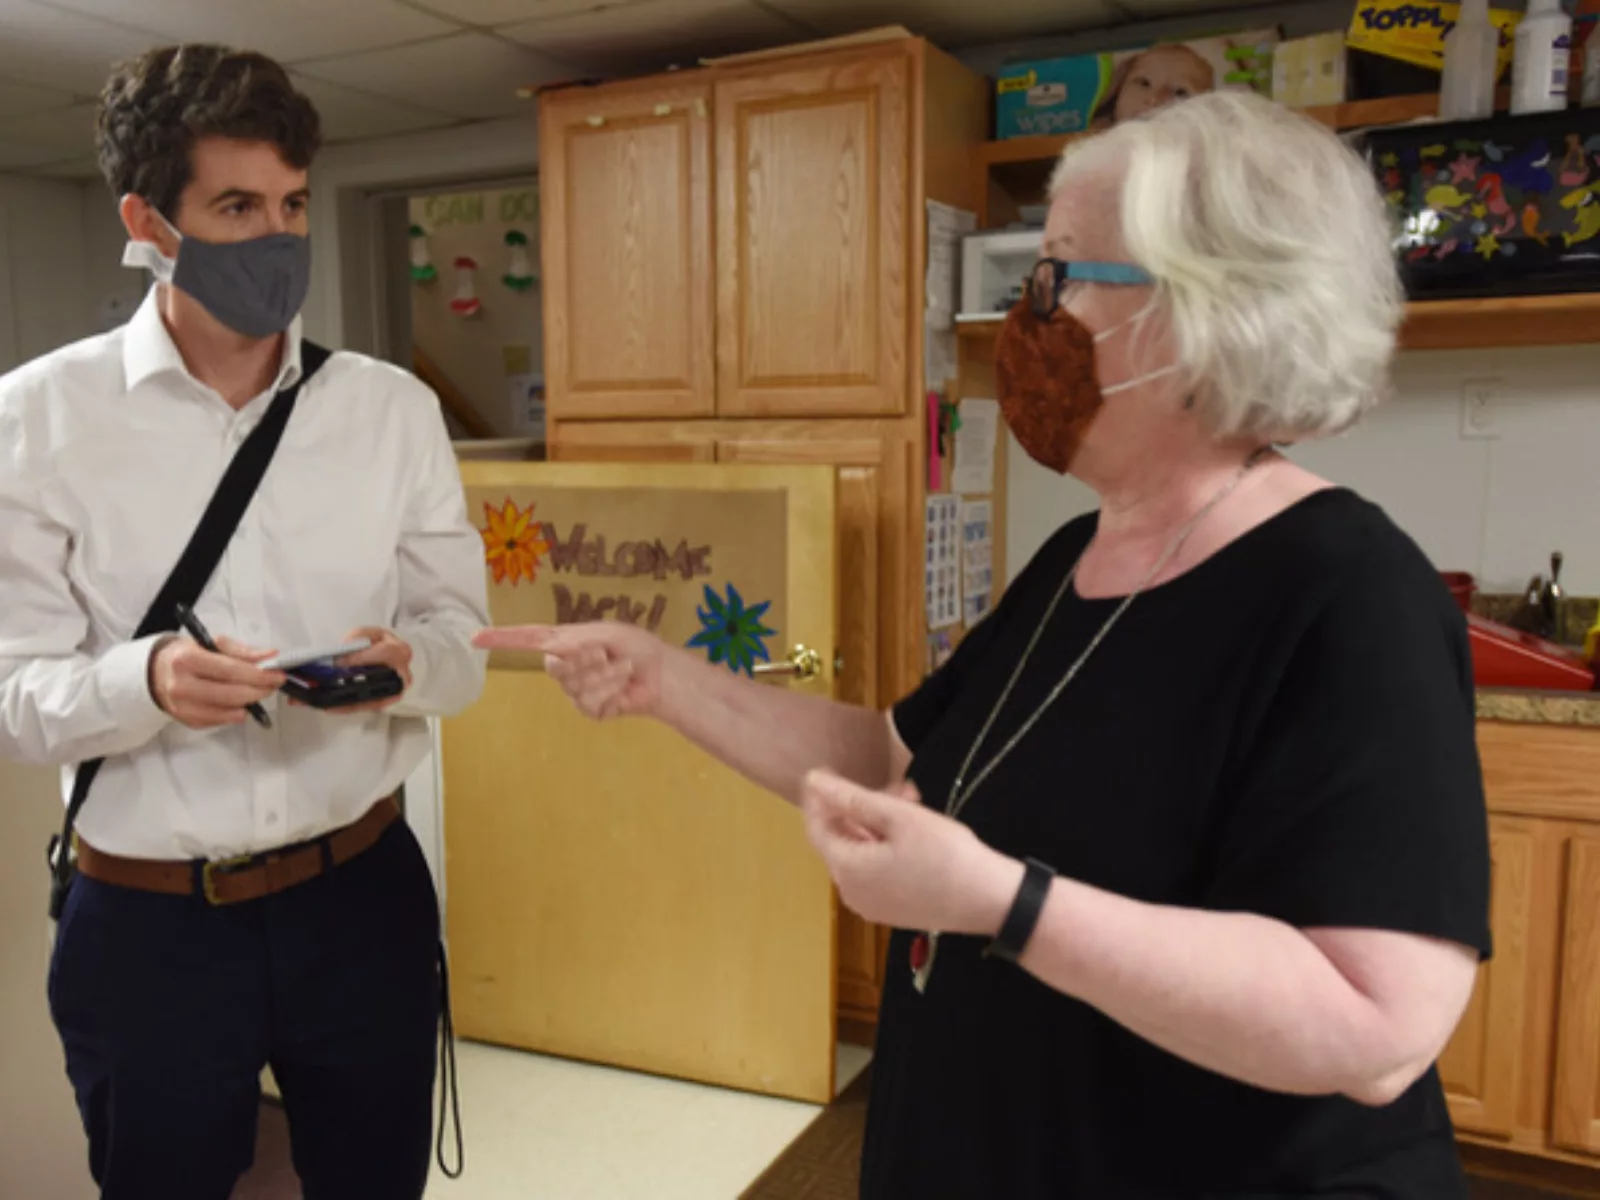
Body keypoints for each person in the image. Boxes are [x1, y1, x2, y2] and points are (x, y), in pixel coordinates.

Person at [476, 90, 1492, 1197]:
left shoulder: (1348, 595)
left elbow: (1377, 1028)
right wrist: (665, 679)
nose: (1026, 315)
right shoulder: (1077, 555)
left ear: (1204, 309)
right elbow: (899, 759)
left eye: (1058, 275)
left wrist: (1007, 905)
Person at [0, 45, 487, 1198]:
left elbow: (464, 644)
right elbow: (14, 695)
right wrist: (145, 683)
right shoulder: (34, 421)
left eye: (292, 204)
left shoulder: (391, 412)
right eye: (235, 206)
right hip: (149, 925)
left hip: (360, 897)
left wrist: (408, 662)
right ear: (147, 220)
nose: (277, 237)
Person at [1091, 42, 1215, 128]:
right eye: (1143, 83)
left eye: (1180, 92)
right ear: (1118, 93)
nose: (1154, 99)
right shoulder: (1088, 142)